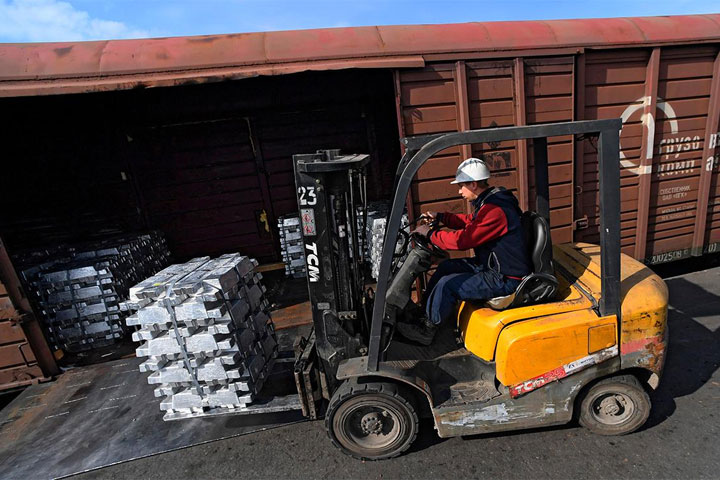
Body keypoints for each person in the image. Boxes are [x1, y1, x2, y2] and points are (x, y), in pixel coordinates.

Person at [396, 157, 533, 345]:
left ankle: (426, 330)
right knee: (446, 268)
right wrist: (442, 217)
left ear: (474, 184)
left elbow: (463, 240)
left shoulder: (495, 210)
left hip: (506, 278)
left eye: (461, 186)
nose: (459, 191)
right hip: (491, 266)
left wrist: (429, 234)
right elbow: (471, 222)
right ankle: (425, 314)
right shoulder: (489, 202)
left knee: (447, 284)